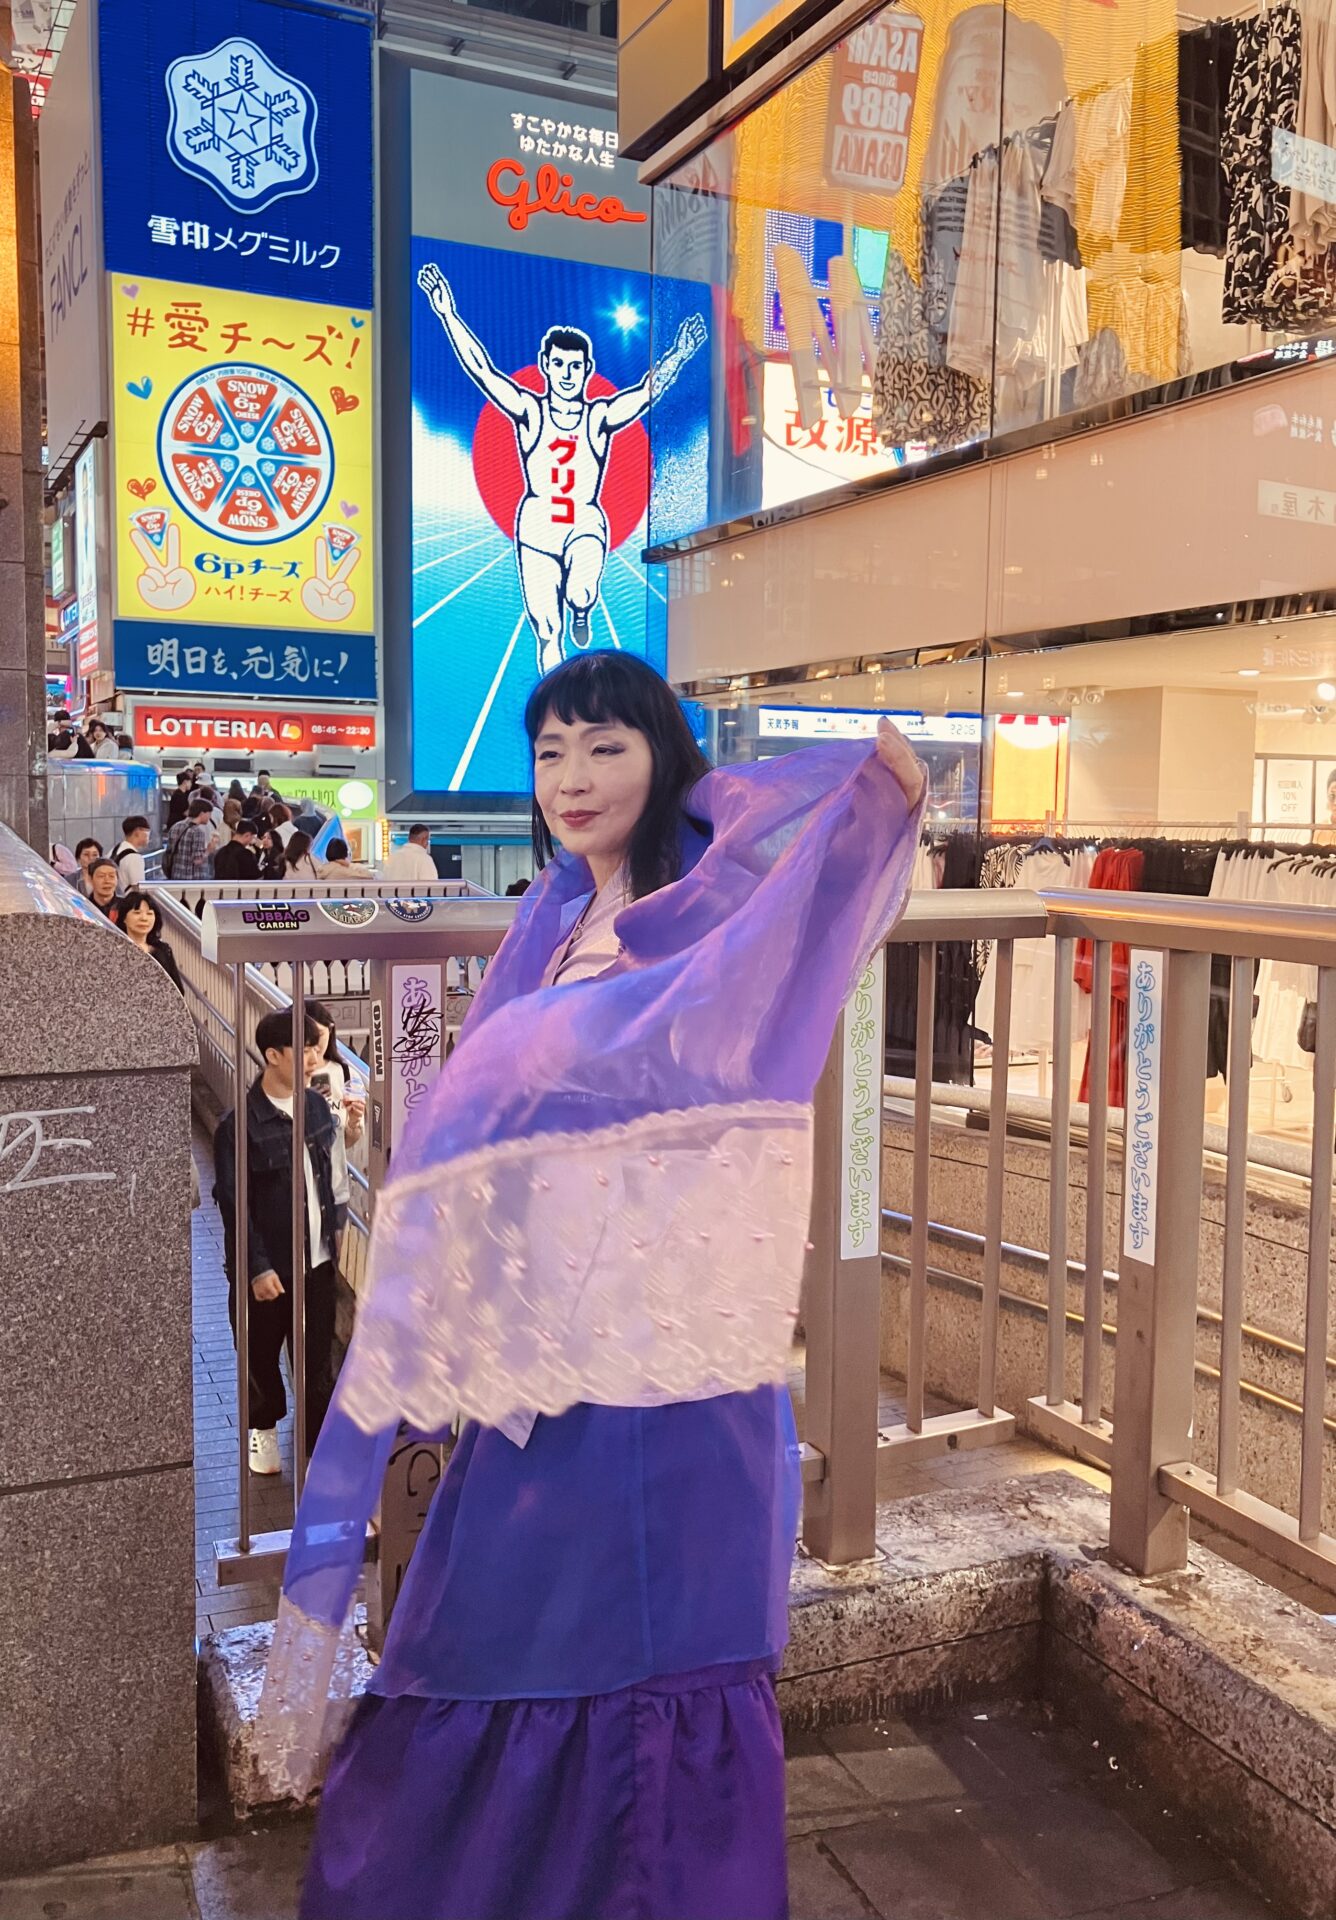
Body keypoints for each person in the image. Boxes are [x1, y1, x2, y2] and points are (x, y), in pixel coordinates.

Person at [276, 654, 927, 1920]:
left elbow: (868, 815)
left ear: (663, 757)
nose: (571, 779)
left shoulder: (719, 918)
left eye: (607, 747)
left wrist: (752, 798)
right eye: (550, 752)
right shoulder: (554, 915)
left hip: (667, 1375)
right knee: (481, 1634)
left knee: (637, 1656)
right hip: (547, 1358)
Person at [418, 262, 706, 674]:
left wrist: (679, 353)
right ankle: (553, 696)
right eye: (559, 365)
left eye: (575, 366)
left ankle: (582, 609)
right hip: (536, 524)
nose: (567, 374)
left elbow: (646, 392)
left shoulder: (598, 416)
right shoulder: (529, 411)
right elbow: (482, 370)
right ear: (545, 366)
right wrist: (447, 313)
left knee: (581, 591)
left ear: (586, 369)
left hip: (584, 521)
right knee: (546, 629)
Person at [213, 1009, 343, 1479]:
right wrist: (257, 1266)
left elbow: (330, 1176)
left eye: (315, 1048)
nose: (314, 1059)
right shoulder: (239, 1125)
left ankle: (315, 1447)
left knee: (317, 1360)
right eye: (303, 1050)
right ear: (273, 1055)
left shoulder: (316, 1108)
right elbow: (235, 1204)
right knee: (260, 1354)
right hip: (267, 1267)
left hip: (317, 1260)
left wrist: (334, 1233)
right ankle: (263, 1428)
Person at [305, 1000, 366, 1220]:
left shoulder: (347, 1074)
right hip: (295, 1192)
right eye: (306, 1038)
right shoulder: (287, 1076)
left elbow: (346, 1141)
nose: (314, 1046)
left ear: (330, 1030)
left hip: (334, 1190)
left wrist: (354, 1120)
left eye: (319, 1035)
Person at [116, 888, 184, 992]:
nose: (144, 918)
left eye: (149, 913)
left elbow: (178, 990)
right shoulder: (115, 950)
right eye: (137, 912)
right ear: (124, 918)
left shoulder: (164, 950)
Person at [163, 798, 216, 881]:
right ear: (202, 813)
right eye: (209, 813)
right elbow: (197, 860)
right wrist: (209, 850)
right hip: (192, 879)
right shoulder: (198, 832)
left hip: (175, 875)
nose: (210, 817)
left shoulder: (176, 826)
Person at [111, 816, 151, 889]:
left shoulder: (115, 849)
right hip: (128, 896)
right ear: (137, 832)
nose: (148, 837)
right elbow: (138, 887)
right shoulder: (135, 857)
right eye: (147, 832)